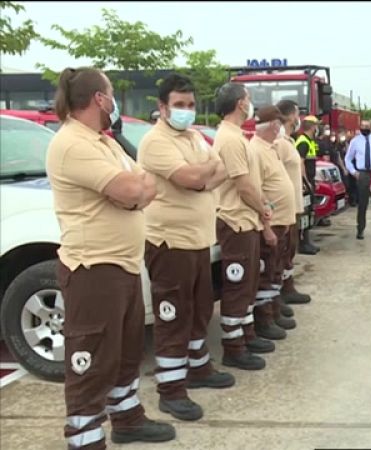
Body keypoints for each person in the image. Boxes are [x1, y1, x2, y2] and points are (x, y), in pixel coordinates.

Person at [46, 66, 175, 448]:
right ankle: (85, 438)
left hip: (121, 265)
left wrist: (132, 196)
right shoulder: (72, 143)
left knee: (124, 352)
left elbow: (142, 185)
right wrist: (132, 195)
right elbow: (133, 187)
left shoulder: (104, 142)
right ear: (99, 99)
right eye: (111, 93)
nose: (115, 100)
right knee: (93, 356)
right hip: (93, 268)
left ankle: (128, 418)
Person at [137, 74, 234, 422]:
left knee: (199, 309)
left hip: (197, 242)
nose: (186, 111)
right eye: (179, 105)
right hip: (170, 242)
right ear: (162, 107)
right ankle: (171, 390)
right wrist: (202, 177)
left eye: (191, 105)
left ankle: (199, 368)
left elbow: (221, 170)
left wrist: (201, 176)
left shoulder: (193, 137)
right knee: (173, 317)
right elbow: (193, 179)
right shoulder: (155, 142)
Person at [213, 82, 277, 371]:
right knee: (238, 287)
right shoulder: (229, 139)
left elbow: (251, 182)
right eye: (248, 99)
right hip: (235, 222)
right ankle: (233, 346)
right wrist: (263, 208)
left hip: (247, 221)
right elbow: (243, 186)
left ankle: (246, 334)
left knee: (249, 283)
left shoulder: (237, 136)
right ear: (240, 103)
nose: (250, 103)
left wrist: (263, 206)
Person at [249, 105, 298, 342]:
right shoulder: (256, 150)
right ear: (272, 125)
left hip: (282, 221)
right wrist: (267, 227)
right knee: (266, 273)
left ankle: (274, 311)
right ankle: (264, 319)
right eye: (277, 123)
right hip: (270, 223)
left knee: (276, 270)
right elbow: (257, 191)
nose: (280, 127)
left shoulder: (271, 149)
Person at [274, 99, 313, 306]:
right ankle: (280, 291)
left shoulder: (288, 140)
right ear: (289, 116)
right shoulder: (279, 142)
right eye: (297, 114)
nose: (299, 119)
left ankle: (288, 286)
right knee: (283, 251)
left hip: (294, 206)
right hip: (283, 209)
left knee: (290, 249)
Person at [345, 119, 371, 240]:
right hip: (362, 174)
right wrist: (354, 172)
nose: (365, 128)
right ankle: (360, 230)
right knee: (362, 204)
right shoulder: (355, 141)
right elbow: (348, 158)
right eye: (362, 126)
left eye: (367, 126)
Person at [294, 115, 321, 254]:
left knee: (309, 212)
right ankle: (303, 243)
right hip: (305, 182)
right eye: (316, 125)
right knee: (304, 213)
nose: (318, 128)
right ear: (311, 126)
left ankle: (307, 241)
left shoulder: (310, 141)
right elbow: (300, 162)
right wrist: (305, 182)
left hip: (309, 180)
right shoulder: (303, 141)